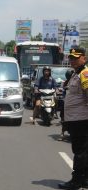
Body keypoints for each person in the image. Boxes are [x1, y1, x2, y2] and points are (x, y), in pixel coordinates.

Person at [58, 47, 88, 190]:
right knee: (83, 150)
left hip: (81, 120)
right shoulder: (75, 74)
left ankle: (76, 181)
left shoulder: (85, 73)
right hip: (76, 119)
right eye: (71, 58)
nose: (73, 61)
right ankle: (85, 180)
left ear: (84, 58)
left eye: (76, 58)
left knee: (80, 151)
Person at [58, 69, 74, 141]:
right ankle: (62, 133)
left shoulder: (77, 82)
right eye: (70, 76)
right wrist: (63, 89)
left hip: (75, 102)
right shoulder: (65, 83)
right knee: (64, 117)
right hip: (67, 101)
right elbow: (61, 90)